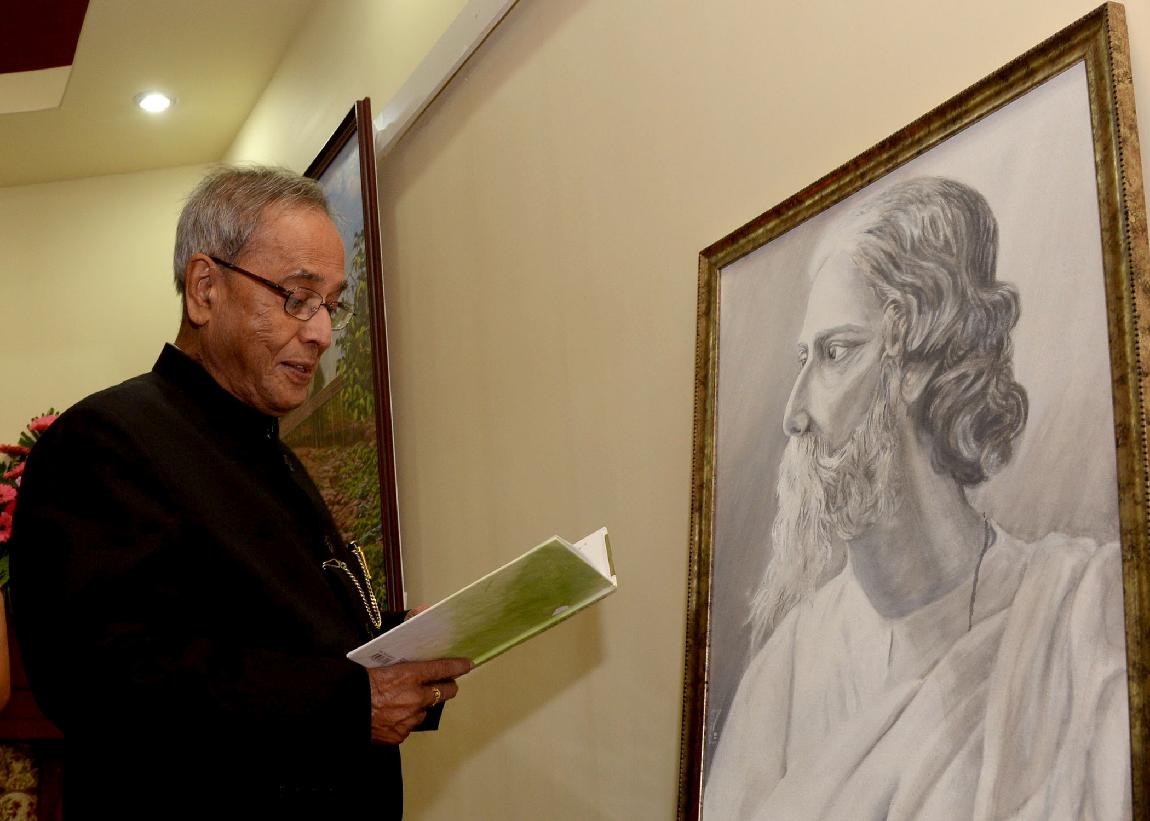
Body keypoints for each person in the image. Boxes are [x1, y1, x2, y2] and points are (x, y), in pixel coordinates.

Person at [9, 166, 471, 819]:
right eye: (297, 297)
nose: (321, 332)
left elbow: (271, 633)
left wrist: (399, 648)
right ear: (205, 289)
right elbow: (103, 679)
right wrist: (350, 703)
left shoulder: (266, 448)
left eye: (331, 304)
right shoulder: (105, 439)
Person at [704, 177, 1130, 819]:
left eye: (836, 353)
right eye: (803, 359)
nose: (795, 415)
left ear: (916, 364)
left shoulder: (1080, 616)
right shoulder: (785, 671)